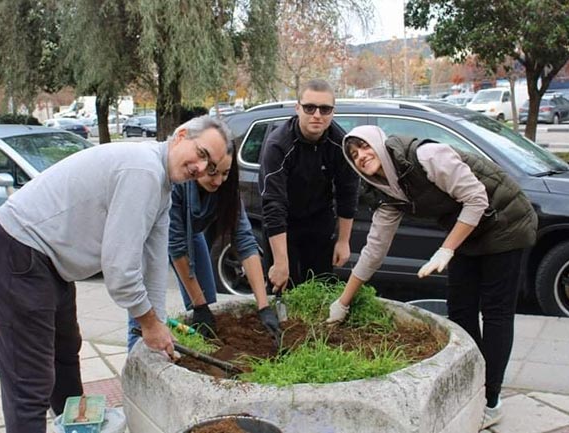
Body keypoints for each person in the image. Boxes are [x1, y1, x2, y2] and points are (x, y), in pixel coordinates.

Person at [0, 115, 231, 433]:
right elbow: (120, 271)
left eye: (210, 166)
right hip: (18, 251)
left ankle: (78, 428)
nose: (201, 167)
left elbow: (153, 263)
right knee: (30, 382)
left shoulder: (162, 188)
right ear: (180, 136)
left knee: (66, 356)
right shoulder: (143, 170)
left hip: (50, 263)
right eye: (203, 153)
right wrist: (148, 323)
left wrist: (158, 330)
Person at [326, 125, 537, 430]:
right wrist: (343, 302)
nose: (361, 156)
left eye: (364, 146)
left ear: (380, 144)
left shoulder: (424, 156)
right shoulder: (387, 193)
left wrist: (446, 249)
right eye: (354, 155)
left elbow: (477, 199)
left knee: (495, 314)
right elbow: (374, 250)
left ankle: (491, 400)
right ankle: (474, 381)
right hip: (469, 230)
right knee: (461, 310)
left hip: (506, 220)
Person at [127, 145, 280, 349]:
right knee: (147, 315)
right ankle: (136, 362)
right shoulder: (175, 183)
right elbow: (177, 246)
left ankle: (206, 354)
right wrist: (198, 305)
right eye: (212, 173)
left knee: (208, 306)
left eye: (225, 173)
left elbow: (244, 241)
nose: (218, 181)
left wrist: (263, 306)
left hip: (191, 234)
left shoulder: (226, 188)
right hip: (148, 237)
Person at [258, 79, 360, 293]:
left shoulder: (341, 143)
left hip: (319, 221)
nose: (317, 115)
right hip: (283, 224)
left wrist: (343, 241)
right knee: (282, 286)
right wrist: (281, 262)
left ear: (333, 111)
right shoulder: (277, 145)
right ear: (298, 108)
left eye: (325, 109)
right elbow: (273, 203)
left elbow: (348, 193)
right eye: (309, 107)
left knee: (321, 290)